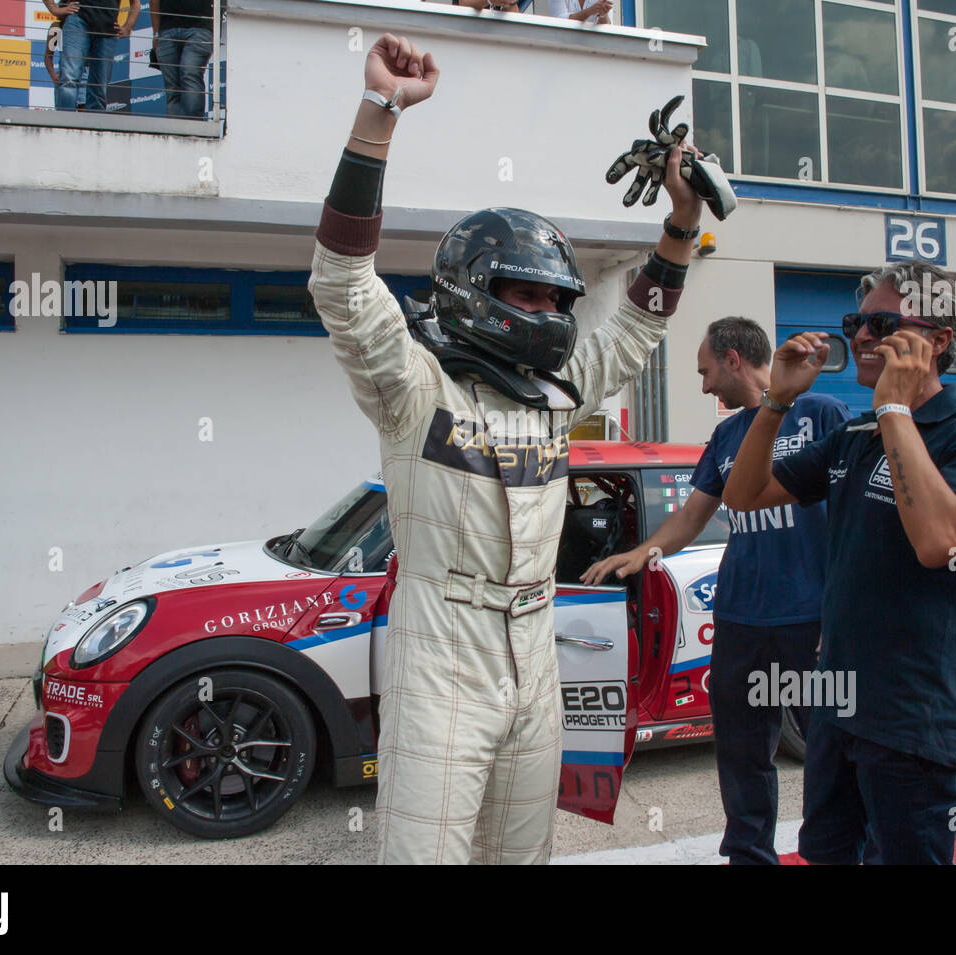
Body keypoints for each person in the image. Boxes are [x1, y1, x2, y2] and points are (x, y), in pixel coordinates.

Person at [308, 32, 708, 864]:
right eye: (524, 291)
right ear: (472, 292)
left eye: (557, 296)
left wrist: (679, 222)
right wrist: (380, 111)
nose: (548, 308)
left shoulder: (560, 398)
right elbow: (343, 283)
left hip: (537, 644)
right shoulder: (413, 390)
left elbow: (636, 325)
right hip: (441, 651)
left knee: (523, 856)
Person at [722, 260, 956, 865]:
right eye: (857, 320)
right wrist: (775, 401)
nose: (859, 336)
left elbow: (940, 543)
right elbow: (743, 496)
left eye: (881, 323)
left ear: (936, 342)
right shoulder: (855, 435)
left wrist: (896, 411)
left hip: (914, 720)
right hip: (837, 705)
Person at [582, 317, 848, 864]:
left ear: (732, 359)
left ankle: (837, 853)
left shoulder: (822, 415)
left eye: (705, 372)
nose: (703, 386)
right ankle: (749, 856)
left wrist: (843, 610)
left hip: (809, 622)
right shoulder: (726, 436)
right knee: (743, 754)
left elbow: (853, 515)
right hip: (741, 621)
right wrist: (643, 551)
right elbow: (691, 518)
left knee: (829, 750)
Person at [47, 0, 138, 112]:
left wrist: (128, 26)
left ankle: (94, 127)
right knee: (69, 78)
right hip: (79, 20)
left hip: (108, 29)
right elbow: (48, 56)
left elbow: (135, 3)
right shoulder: (56, 27)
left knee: (99, 86)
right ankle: (64, 124)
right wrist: (54, 9)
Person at [152, 0, 216, 118]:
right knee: (173, 86)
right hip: (167, 30)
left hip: (199, 28)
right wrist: (156, 34)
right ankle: (175, 131)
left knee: (190, 74)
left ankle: (194, 128)